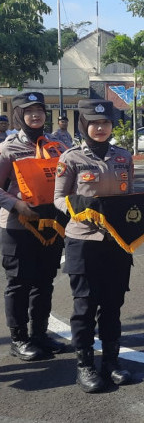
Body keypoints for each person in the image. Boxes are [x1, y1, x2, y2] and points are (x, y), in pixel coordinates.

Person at [53, 99, 135, 393]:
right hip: (83, 241)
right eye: (94, 123)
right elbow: (59, 198)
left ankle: (111, 363)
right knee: (85, 306)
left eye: (106, 123)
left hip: (117, 243)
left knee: (113, 305)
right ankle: (85, 366)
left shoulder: (124, 157)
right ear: (83, 125)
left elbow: (130, 197)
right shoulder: (71, 158)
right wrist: (81, 208)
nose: (100, 128)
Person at [0, 92, 66, 362]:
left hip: (50, 223)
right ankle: (19, 339)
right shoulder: (7, 148)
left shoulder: (55, 146)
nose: (35, 115)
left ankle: (39, 334)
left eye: (39, 109)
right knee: (19, 283)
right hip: (17, 224)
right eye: (29, 111)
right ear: (20, 115)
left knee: (44, 281)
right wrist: (16, 205)